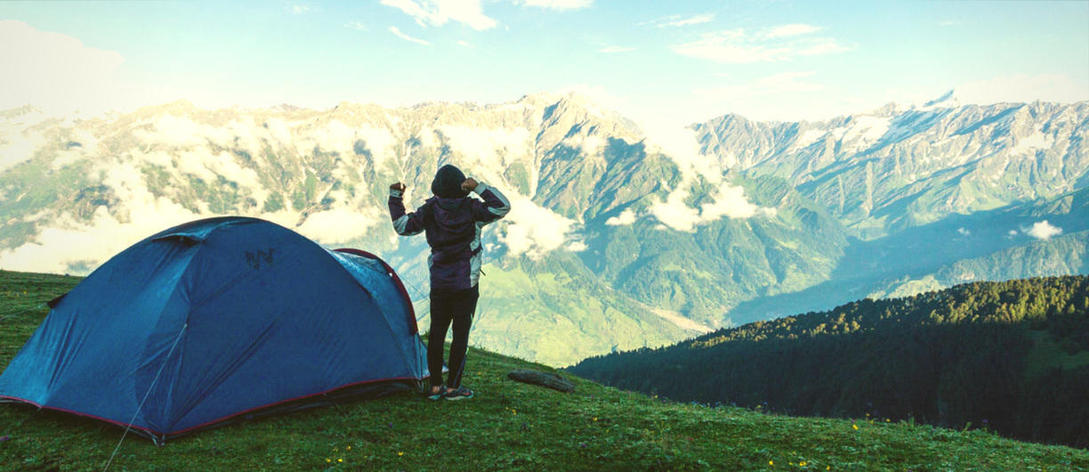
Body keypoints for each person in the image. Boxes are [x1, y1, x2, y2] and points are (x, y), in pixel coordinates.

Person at [388, 164, 511, 401]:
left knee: (436, 333)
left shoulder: (430, 210)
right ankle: (454, 388)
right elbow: (502, 206)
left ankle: (435, 387)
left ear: (437, 188)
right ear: (462, 187)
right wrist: (479, 188)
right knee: (460, 335)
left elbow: (402, 226)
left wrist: (396, 196)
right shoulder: (473, 209)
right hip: (466, 284)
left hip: (440, 283)